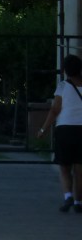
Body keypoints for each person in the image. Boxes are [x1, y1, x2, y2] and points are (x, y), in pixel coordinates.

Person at [38, 53, 82, 212]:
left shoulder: (63, 86)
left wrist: (43, 128)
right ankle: (78, 202)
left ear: (65, 70)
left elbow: (55, 109)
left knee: (64, 167)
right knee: (79, 169)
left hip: (65, 130)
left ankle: (67, 196)